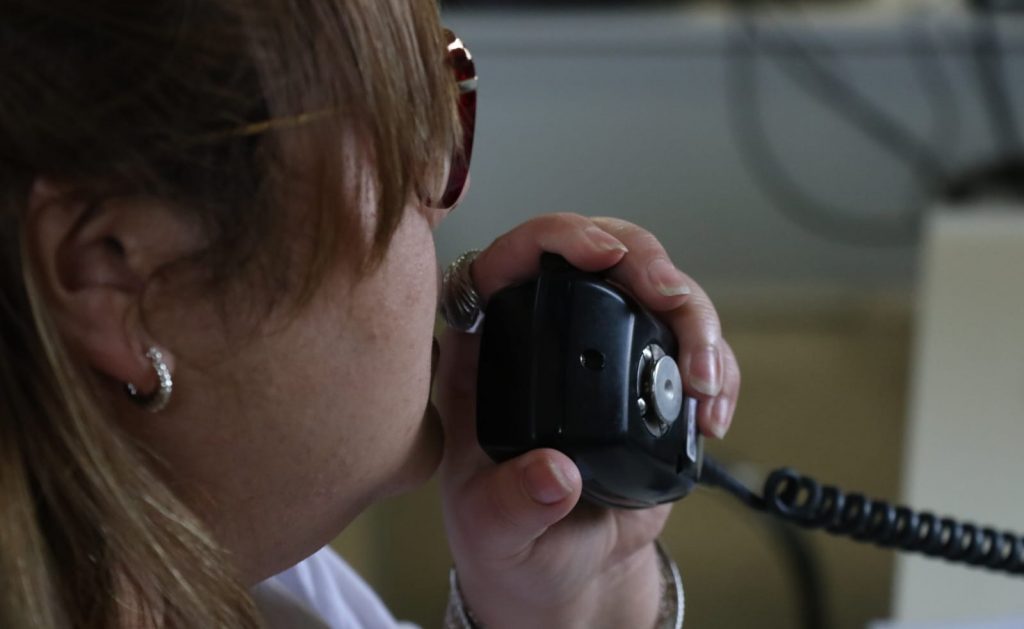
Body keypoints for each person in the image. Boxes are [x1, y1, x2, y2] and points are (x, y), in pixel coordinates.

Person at [0, 1, 741, 627]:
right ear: (118, 275)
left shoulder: (276, 584)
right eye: (408, 129)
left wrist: (580, 602)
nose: (445, 199)